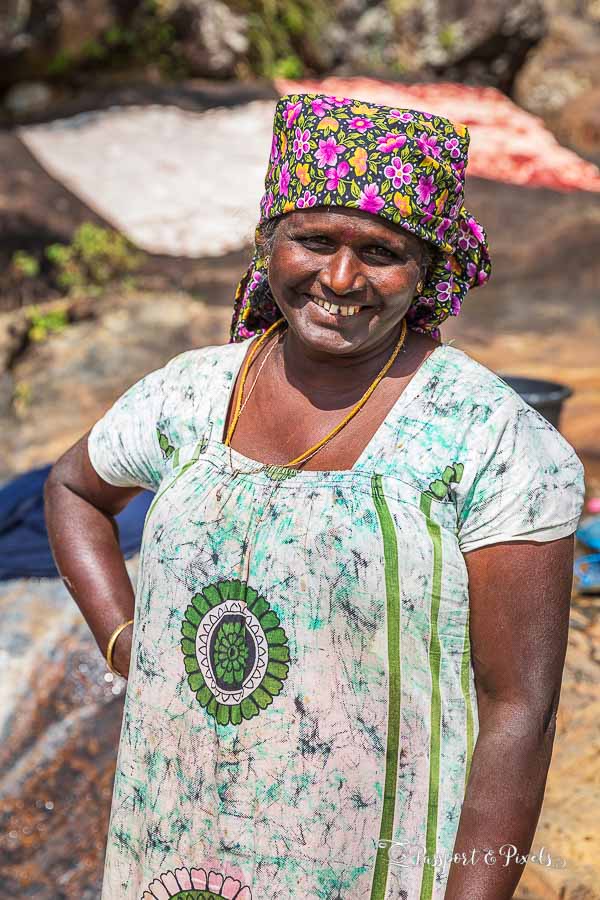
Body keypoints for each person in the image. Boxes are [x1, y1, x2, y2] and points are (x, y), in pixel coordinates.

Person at [45, 93, 585, 900]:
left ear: (430, 268)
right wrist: (129, 642)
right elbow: (73, 489)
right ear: (270, 241)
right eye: (315, 240)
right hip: (173, 840)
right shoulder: (196, 394)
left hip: (369, 866)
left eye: (381, 251)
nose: (341, 278)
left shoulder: (490, 441)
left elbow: (518, 712)